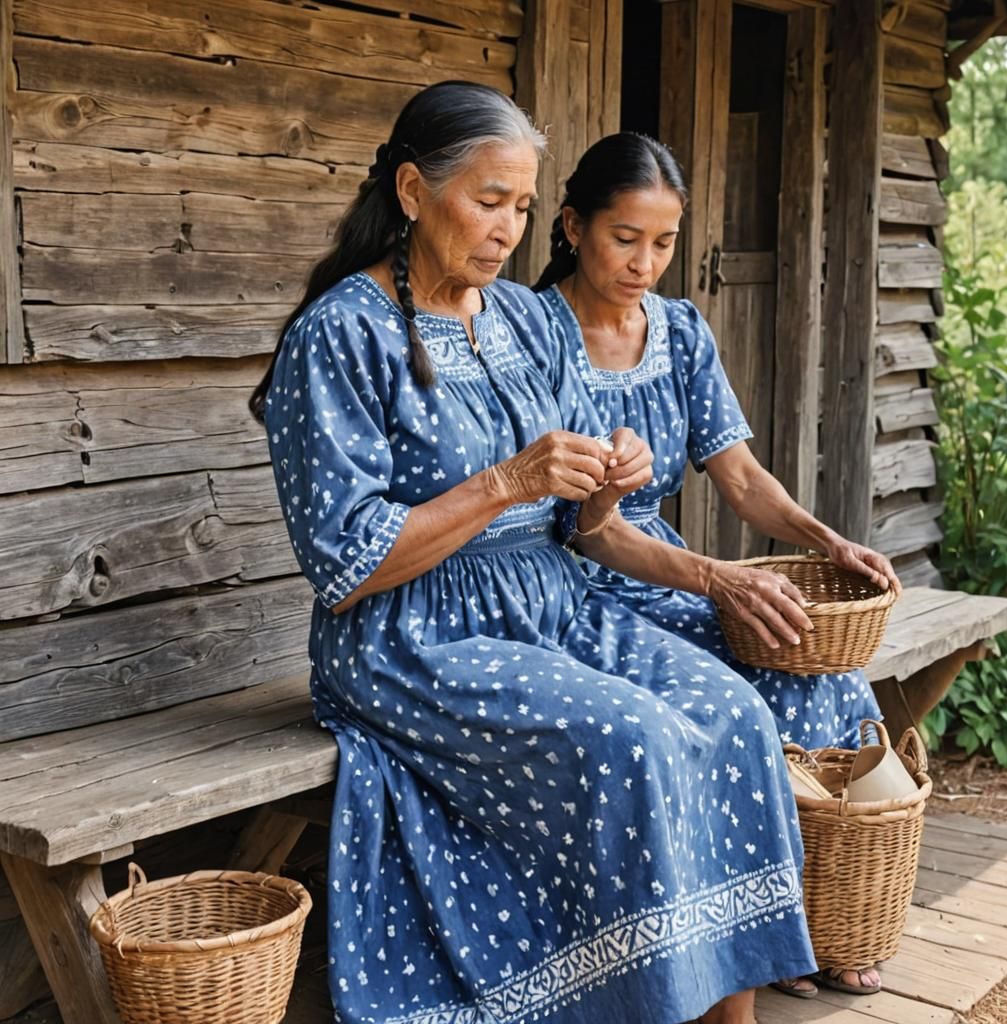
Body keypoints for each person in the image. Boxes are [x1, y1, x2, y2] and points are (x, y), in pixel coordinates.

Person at [252, 83, 817, 1024]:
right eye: (488, 201)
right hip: (413, 634)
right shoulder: (341, 333)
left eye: (520, 206)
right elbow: (346, 567)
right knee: (632, 742)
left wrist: (609, 479)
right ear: (411, 190)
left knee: (735, 713)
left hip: (553, 604)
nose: (508, 231)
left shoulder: (519, 317)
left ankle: (733, 1018)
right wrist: (508, 482)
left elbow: (585, 529)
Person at [533, 131, 902, 998]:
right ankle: (757, 940)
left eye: (664, 243)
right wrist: (720, 579)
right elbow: (581, 526)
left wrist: (826, 540)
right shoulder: (530, 331)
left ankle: (821, 916)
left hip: (666, 568)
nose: (644, 264)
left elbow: (739, 477)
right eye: (625, 238)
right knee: (745, 678)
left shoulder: (681, 332)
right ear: (573, 226)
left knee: (810, 660)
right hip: (573, 581)